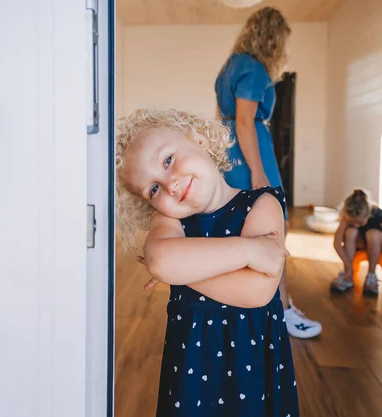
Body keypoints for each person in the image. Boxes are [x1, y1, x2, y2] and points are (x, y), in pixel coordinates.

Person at [116, 108, 299, 417]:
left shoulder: (262, 204)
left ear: (197, 138)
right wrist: (248, 251)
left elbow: (256, 292)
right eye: (154, 189)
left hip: (250, 361)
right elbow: (161, 260)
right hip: (192, 365)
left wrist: (179, 270)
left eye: (168, 160)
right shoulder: (168, 219)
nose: (170, 184)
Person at [215, 6, 321, 338]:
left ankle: (246, 308)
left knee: (236, 230)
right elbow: (246, 121)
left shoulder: (229, 67)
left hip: (229, 149)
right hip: (251, 151)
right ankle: (283, 310)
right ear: (273, 38)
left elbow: (224, 118)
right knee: (277, 228)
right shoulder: (256, 68)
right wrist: (259, 173)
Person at [331, 188, 382, 295]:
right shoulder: (347, 217)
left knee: (372, 234)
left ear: (368, 214)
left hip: (378, 243)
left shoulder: (376, 214)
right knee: (350, 232)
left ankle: (371, 275)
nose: (356, 225)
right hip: (360, 243)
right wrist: (348, 266)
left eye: (360, 222)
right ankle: (348, 275)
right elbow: (337, 243)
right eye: (352, 222)